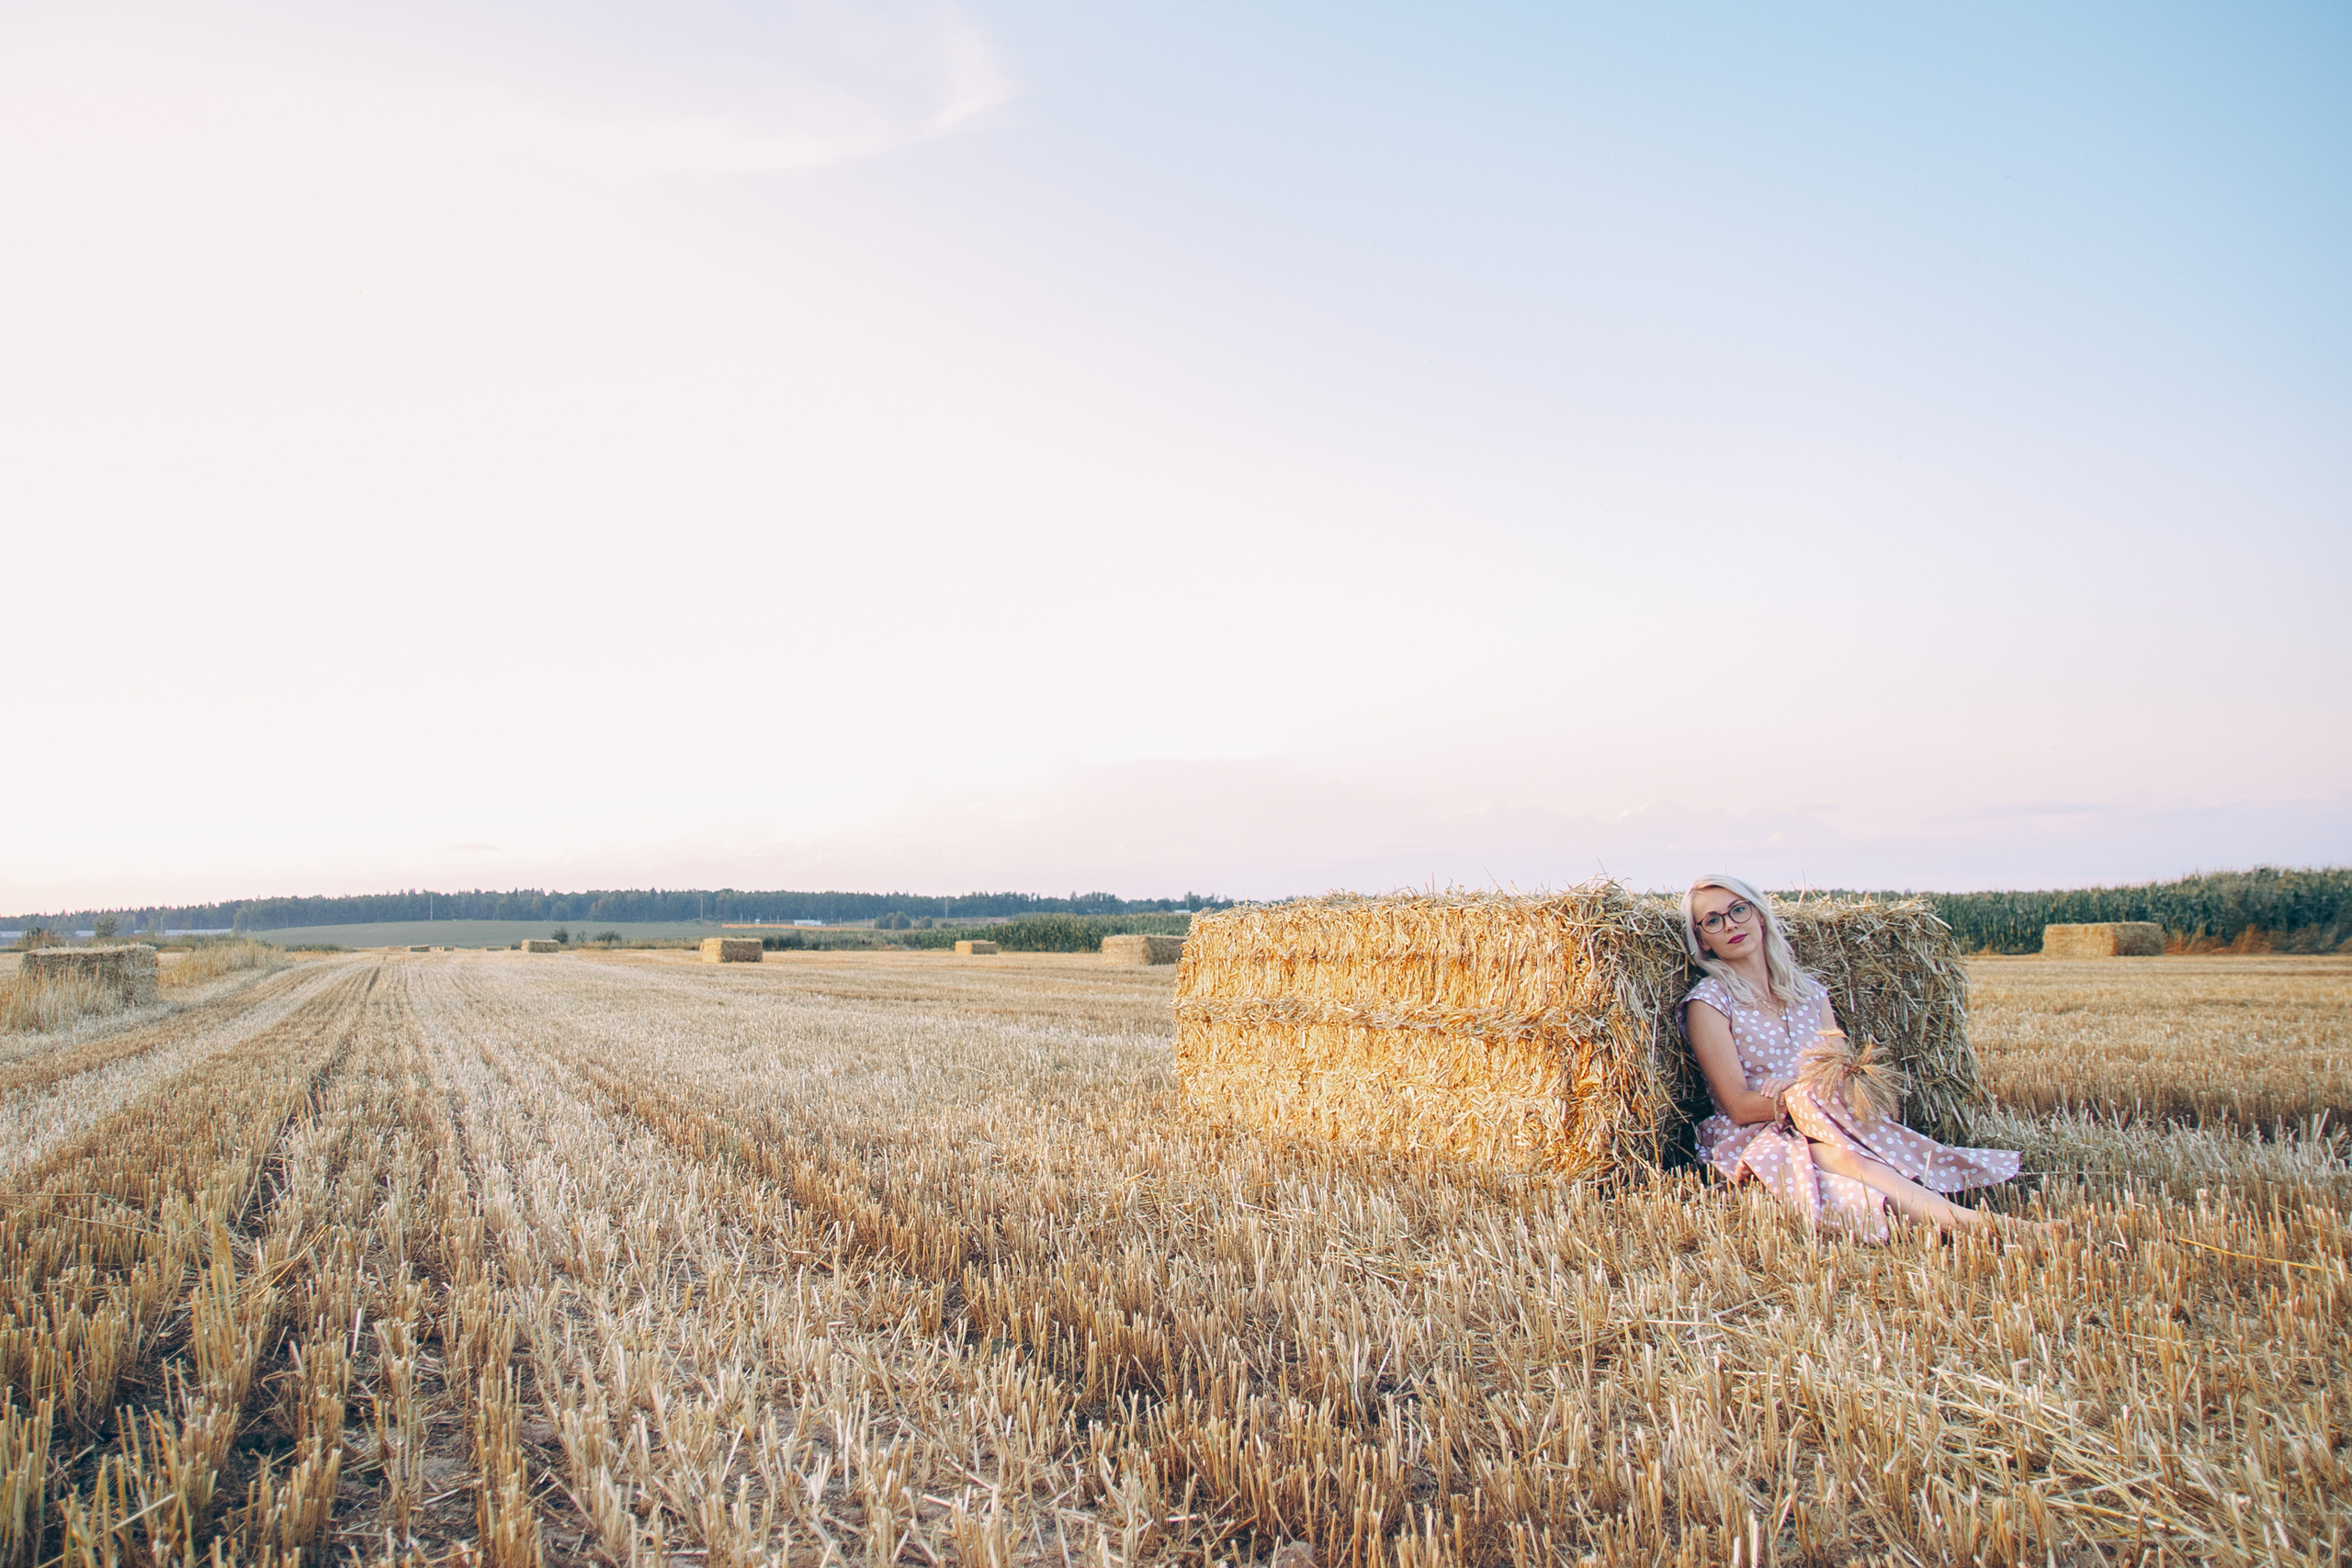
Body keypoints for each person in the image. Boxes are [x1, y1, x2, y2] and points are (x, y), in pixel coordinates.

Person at [1678, 874, 2026, 1241]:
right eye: (1713, 920)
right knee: (1844, 1160)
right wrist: (1796, 1100)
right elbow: (1739, 1107)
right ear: (1703, 940)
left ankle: (1959, 1223)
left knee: (1853, 1155)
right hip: (1758, 1135)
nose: (1731, 923)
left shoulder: (1810, 994)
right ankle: (1994, 1229)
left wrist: (1803, 1089)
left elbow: (1843, 1076)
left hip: (1833, 1122)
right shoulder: (1710, 1003)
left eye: (1738, 910)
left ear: (1760, 916)